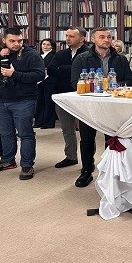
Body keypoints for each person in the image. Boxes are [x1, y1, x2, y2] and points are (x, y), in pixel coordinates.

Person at [69, 27, 132, 187]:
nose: (107, 40)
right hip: (89, 105)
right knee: (86, 139)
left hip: (113, 106)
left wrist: (111, 85)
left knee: (111, 138)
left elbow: (130, 81)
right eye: (102, 37)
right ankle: (86, 170)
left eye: (109, 37)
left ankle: (109, 169)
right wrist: (97, 85)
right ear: (93, 39)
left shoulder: (120, 59)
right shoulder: (82, 58)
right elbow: (74, 82)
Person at [0, 27, 45, 180]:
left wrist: (14, 74)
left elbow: (39, 75)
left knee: (25, 134)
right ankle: (8, 160)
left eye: (19, 41)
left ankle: (27, 165)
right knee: (5, 133)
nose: (16, 44)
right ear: (4, 40)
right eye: (12, 41)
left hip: (24, 100)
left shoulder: (32, 54)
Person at [48, 27, 89, 168]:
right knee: (67, 129)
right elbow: (51, 70)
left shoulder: (89, 53)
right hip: (62, 94)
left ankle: (88, 160)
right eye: (67, 35)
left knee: (86, 131)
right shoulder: (60, 53)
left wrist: (63, 68)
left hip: (83, 96)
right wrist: (71, 70)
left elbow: (87, 72)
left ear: (82, 38)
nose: (67, 38)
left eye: (71, 36)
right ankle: (71, 156)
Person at [34, 38, 57, 129]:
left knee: (48, 102)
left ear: (52, 46)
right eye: (43, 44)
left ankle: (48, 123)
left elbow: (51, 67)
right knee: (39, 101)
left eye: (48, 44)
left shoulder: (54, 55)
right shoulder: (38, 55)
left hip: (49, 81)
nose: (45, 46)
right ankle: (38, 121)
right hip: (38, 81)